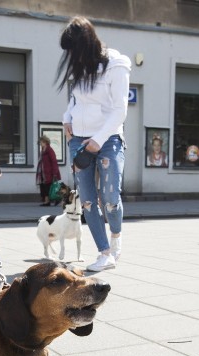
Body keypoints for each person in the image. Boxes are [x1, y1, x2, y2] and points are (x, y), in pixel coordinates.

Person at [57, 16, 131, 272]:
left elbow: (120, 109)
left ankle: (116, 237)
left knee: (110, 197)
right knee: (87, 201)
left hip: (108, 138)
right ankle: (104, 253)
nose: (71, 57)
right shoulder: (80, 68)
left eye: (73, 51)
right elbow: (75, 101)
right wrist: (66, 119)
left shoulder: (116, 64)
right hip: (78, 139)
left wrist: (97, 140)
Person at [36, 135, 61, 206]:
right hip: (43, 173)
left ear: (45, 142)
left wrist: (55, 173)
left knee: (49, 187)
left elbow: (54, 162)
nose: (40, 144)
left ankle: (56, 199)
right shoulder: (42, 151)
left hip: (49, 173)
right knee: (43, 186)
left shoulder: (49, 150)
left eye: (41, 142)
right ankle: (47, 201)